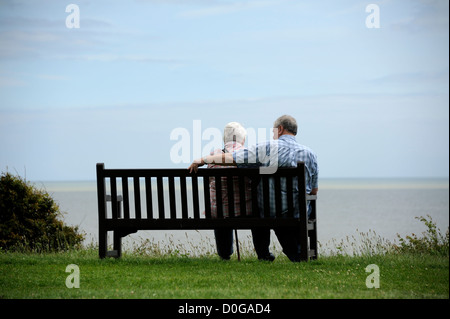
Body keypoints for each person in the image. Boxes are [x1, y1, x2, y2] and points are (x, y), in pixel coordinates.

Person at [188, 115, 319, 262]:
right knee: (293, 212)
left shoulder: (267, 148)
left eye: (273, 131)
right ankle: (295, 253)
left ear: (280, 129)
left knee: (266, 209)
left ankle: (293, 253)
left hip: (273, 212)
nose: (272, 135)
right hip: (299, 213)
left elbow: (233, 158)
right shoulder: (311, 154)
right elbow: (314, 191)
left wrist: (203, 160)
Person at [207, 122, 253, 260]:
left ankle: (224, 253)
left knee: (220, 208)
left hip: (220, 211)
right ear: (243, 140)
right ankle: (263, 253)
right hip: (247, 211)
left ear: (224, 139)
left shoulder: (213, 155)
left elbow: (210, 181)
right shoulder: (249, 155)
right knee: (257, 207)